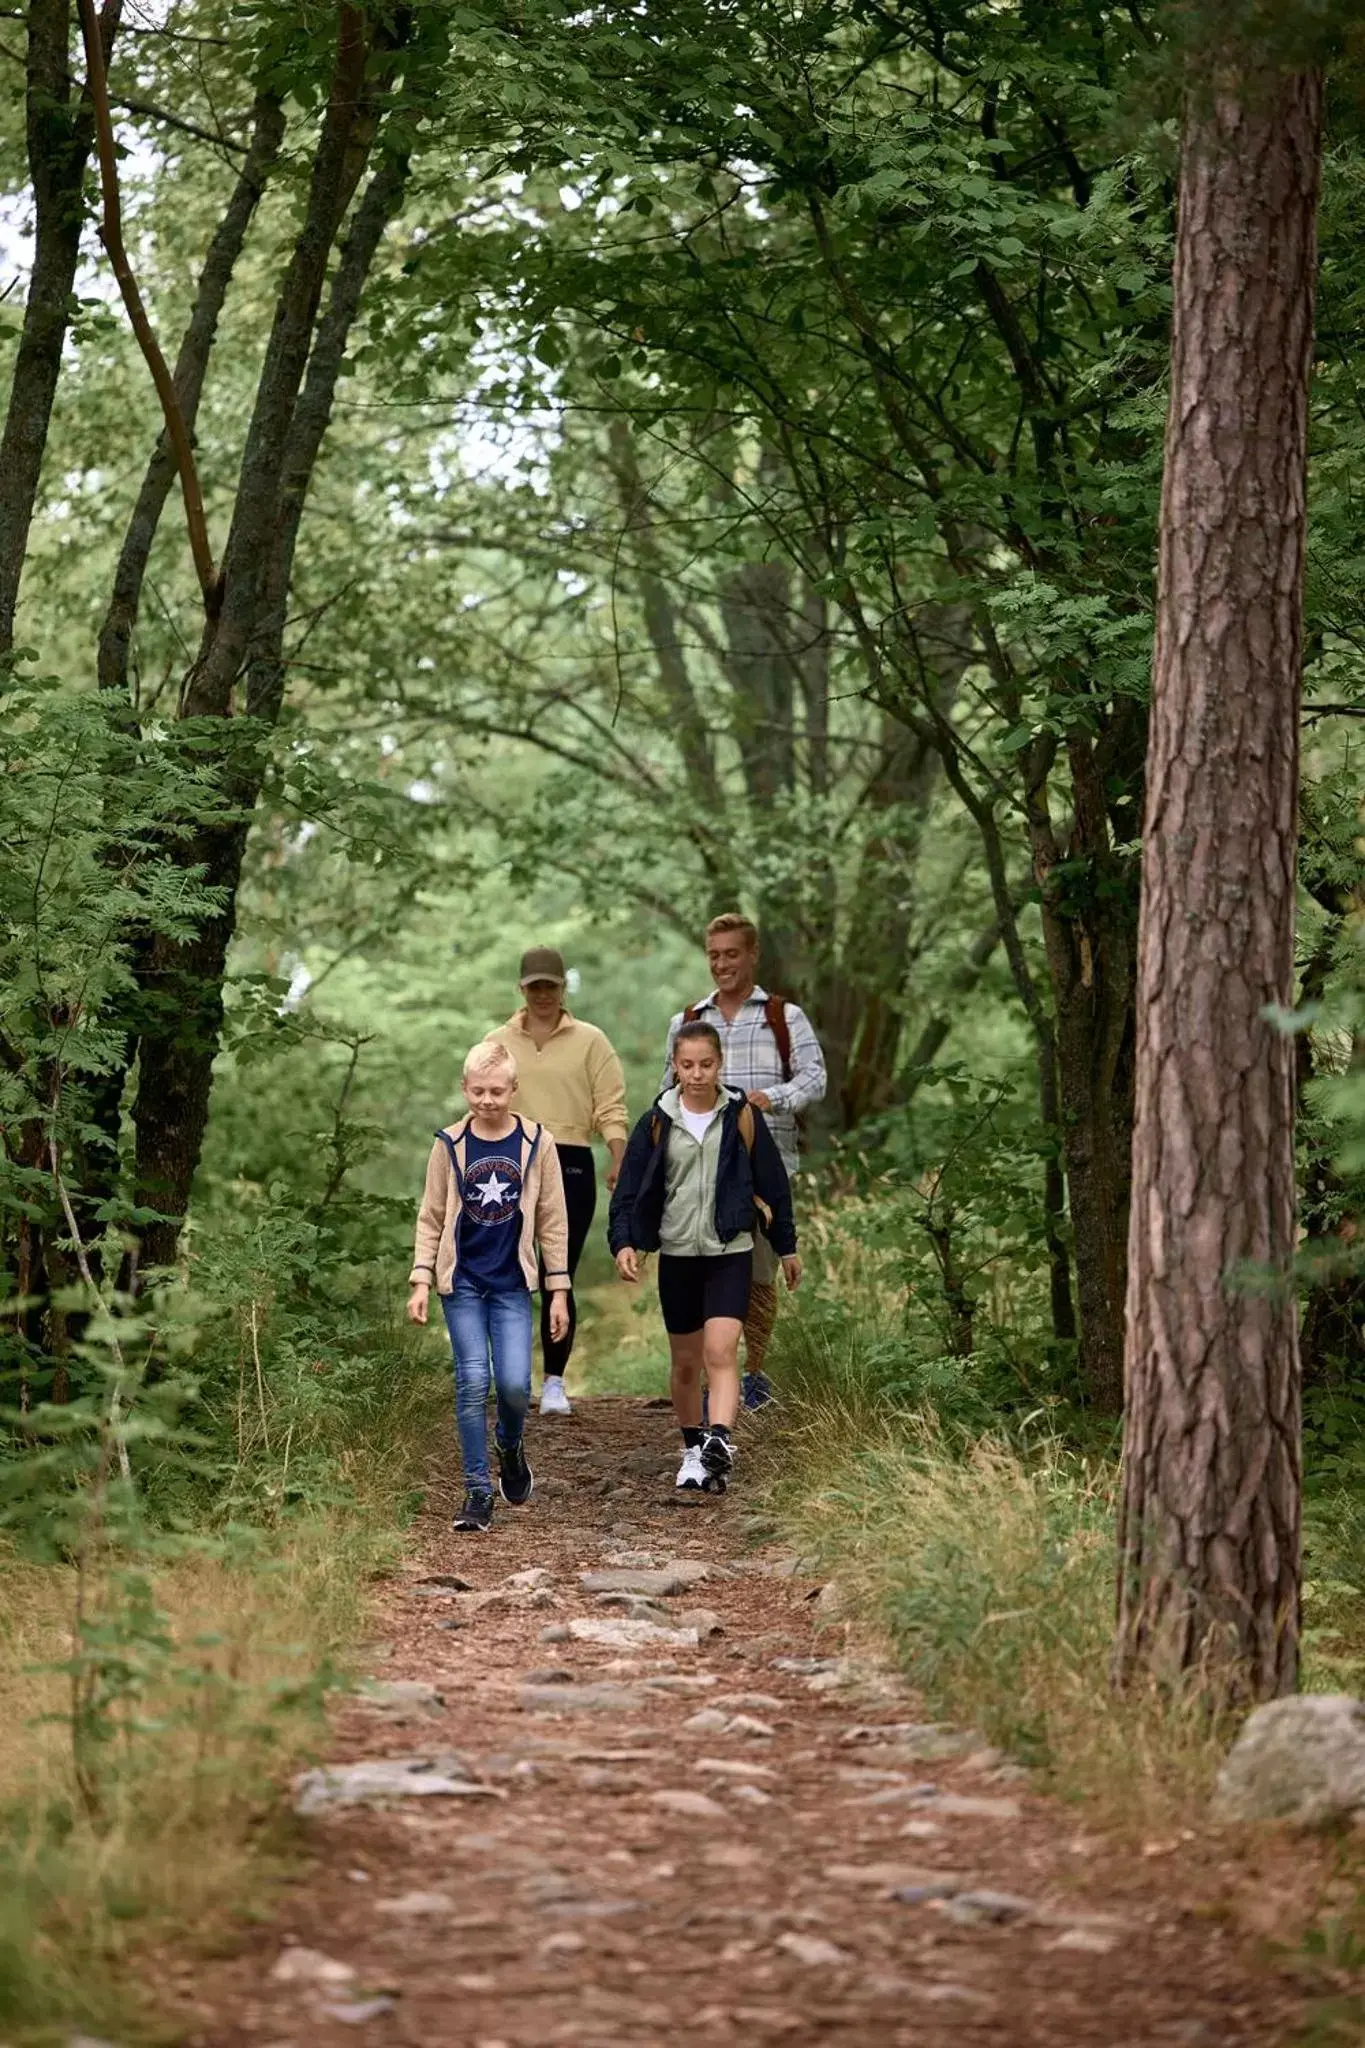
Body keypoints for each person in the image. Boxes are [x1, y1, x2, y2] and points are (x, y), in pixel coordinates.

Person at [610, 1020, 800, 1493]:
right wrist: (624, 1242)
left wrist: (787, 1246)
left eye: (707, 1064)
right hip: (677, 1253)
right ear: (675, 1066)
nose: (697, 1074)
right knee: (686, 1364)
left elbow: (774, 1183)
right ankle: (693, 1448)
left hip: (728, 1250)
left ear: (721, 1065)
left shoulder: (741, 1117)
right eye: (688, 1064)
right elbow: (629, 1190)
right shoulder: (657, 1120)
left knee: (721, 1351)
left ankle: (720, 1439)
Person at [662, 912, 826, 1406]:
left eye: (732, 953)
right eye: (714, 955)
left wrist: (770, 1099)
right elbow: (665, 1095)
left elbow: (815, 1078)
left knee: (756, 1272)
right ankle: (714, 1371)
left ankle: (752, 1374)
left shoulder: (783, 1016)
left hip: (761, 1172)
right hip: (697, 1174)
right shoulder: (689, 1021)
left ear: (753, 955)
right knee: (704, 1272)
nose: (722, 964)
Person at [407, 1039, 571, 1532]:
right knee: (473, 1381)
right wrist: (420, 1279)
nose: (487, 1100)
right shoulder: (450, 1144)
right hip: (461, 1284)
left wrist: (559, 1289)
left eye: (497, 1091)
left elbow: (552, 1220)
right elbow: (431, 1217)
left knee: (516, 1386)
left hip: (512, 1285)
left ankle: (510, 1444)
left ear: (514, 1090)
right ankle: (477, 1492)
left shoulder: (537, 1143)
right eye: (477, 1091)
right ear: (464, 1088)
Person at [485, 945, 628, 1417]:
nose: (543, 994)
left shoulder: (591, 1040)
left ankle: (553, 1383)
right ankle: (509, 1377)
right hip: (511, 1159)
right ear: (521, 989)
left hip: (569, 1158)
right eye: (534, 986)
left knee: (557, 1273)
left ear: (563, 987)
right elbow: (482, 1102)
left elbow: (610, 1105)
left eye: (551, 985)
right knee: (505, 1270)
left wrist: (619, 1158)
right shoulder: (498, 1042)